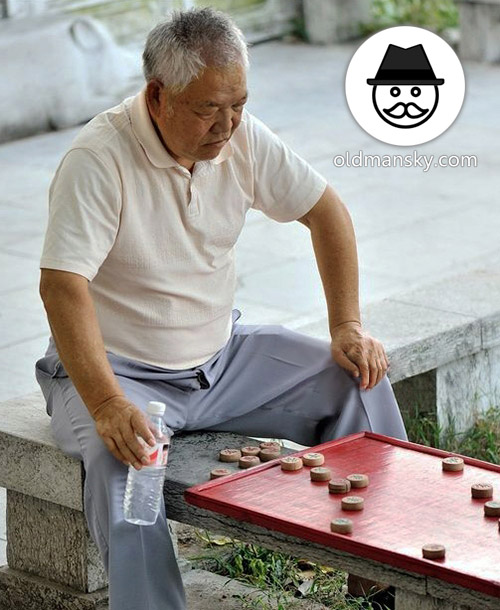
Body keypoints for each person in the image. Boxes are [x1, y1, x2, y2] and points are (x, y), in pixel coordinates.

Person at [35, 7, 407, 610]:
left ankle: (385, 582)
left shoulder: (242, 136)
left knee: (357, 381)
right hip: (121, 372)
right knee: (131, 477)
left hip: (221, 356)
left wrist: (347, 325)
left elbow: (326, 212)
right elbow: (61, 286)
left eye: (239, 103)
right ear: (159, 96)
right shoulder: (98, 159)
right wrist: (105, 403)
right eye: (210, 107)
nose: (229, 123)